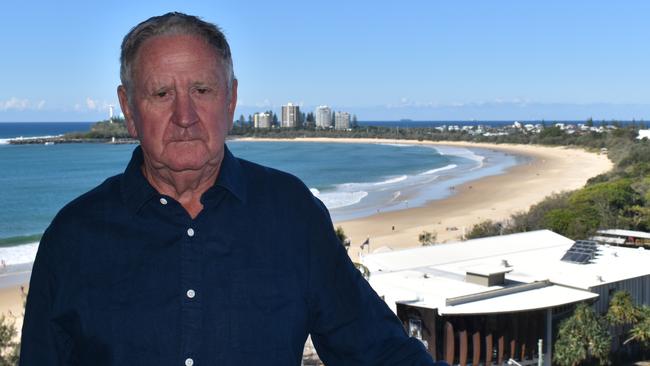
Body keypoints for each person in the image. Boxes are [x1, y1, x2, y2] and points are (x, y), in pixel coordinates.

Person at [20, 12, 440, 365]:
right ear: (129, 109)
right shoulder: (74, 237)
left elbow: (377, 349)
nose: (185, 115)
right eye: (161, 93)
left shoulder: (291, 214)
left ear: (231, 100)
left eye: (202, 90)